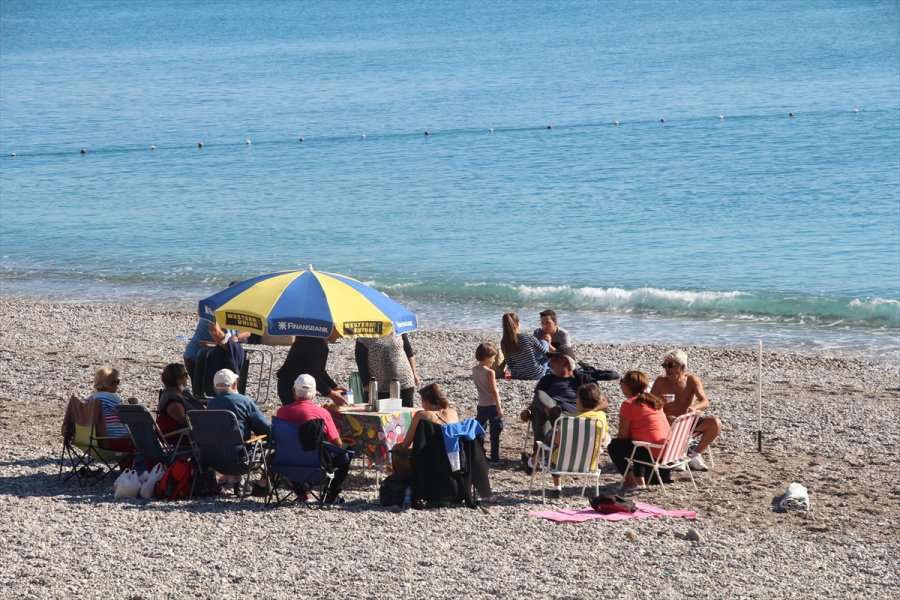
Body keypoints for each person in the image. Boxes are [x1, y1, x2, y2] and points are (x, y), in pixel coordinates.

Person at [275, 374, 352, 504]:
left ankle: (302, 493)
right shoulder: (322, 413)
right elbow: (337, 442)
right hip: (315, 466)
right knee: (346, 454)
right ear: (314, 393)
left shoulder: (281, 412)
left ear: (294, 391)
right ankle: (331, 494)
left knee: (293, 448)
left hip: (285, 464)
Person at [521, 345, 596, 473]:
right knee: (539, 398)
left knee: (540, 408)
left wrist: (590, 412)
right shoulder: (547, 380)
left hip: (573, 416)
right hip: (553, 412)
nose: (550, 361)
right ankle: (554, 416)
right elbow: (538, 400)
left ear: (565, 361)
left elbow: (603, 402)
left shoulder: (583, 379)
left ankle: (538, 456)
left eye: (554, 358)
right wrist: (528, 410)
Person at [650, 349, 721, 471]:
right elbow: (649, 403)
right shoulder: (661, 381)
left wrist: (694, 407)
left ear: (682, 366)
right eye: (664, 365)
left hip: (688, 421)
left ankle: (695, 454)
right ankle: (679, 454)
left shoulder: (691, 380)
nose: (667, 369)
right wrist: (660, 400)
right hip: (669, 422)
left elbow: (705, 402)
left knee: (715, 423)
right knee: (673, 420)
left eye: (670, 365)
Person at [207, 368, 271, 495]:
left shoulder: (210, 404)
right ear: (234, 384)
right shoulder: (244, 401)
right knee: (272, 442)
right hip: (240, 459)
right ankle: (262, 484)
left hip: (214, 459)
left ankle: (237, 481)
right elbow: (265, 428)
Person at [606, 370, 671, 491]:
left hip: (654, 457)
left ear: (627, 386)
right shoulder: (654, 401)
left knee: (614, 446)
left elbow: (623, 436)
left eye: (623, 382)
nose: (621, 385)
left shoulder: (629, 404)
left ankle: (631, 482)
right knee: (637, 442)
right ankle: (639, 479)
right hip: (667, 456)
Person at [545, 383, 609, 498]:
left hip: (560, 462)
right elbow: (603, 438)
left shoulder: (567, 419)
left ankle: (557, 488)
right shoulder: (601, 417)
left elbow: (557, 441)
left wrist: (551, 444)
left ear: (579, 402)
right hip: (589, 464)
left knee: (551, 440)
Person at [276, 328, 347, 406]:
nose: (341, 336)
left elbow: (319, 371)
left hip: (296, 385)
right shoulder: (316, 342)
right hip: (290, 385)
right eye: (340, 332)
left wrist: (334, 387)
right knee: (297, 415)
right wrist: (331, 394)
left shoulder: (319, 341)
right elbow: (312, 373)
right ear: (332, 328)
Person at [86, 365, 137, 467]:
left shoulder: (90, 398)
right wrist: (134, 405)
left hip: (94, 442)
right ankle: (134, 469)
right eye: (115, 382)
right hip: (115, 441)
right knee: (143, 438)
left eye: (117, 381)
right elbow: (128, 416)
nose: (117, 385)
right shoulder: (111, 397)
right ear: (107, 384)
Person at [355, 333, 418, 407]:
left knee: (405, 415)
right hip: (378, 387)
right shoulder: (366, 334)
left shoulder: (396, 328)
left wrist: (414, 373)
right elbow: (360, 361)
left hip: (404, 382)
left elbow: (408, 350)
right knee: (381, 415)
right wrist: (366, 386)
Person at [397, 383, 460, 452]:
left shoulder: (421, 415)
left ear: (426, 401)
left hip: (430, 458)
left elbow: (406, 444)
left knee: (396, 448)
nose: (422, 406)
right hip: (453, 456)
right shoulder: (453, 412)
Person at [472, 342, 504, 464]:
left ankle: (480, 455)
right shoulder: (490, 372)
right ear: (486, 358)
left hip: (481, 404)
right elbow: (494, 391)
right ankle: (495, 458)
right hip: (492, 405)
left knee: (480, 431)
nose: (494, 360)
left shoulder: (474, 369)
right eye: (492, 357)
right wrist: (499, 407)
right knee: (495, 433)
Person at [156, 363, 205, 438]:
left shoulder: (182, 392)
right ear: (178, 380)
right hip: (188, 436)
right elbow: (183, 421)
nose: (187, 378)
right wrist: (206, 420)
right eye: (185, 375)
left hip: (198, 429)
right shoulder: (172, 401)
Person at [500, 312, 548, 380]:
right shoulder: (527, 337)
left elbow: (509, 363)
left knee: (510, 366)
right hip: (536, 375)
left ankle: (508, 377)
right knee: (544, 343)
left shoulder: (503, 342)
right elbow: (545, 354)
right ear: (517, 323)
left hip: (518, 376)